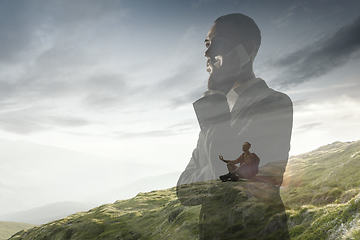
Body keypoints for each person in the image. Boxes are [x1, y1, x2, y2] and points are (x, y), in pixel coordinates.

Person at [176, 13, 293, 239]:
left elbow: (229, 173)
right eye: (207, 45)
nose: (207, 54)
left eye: (217, 44)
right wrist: (217, 174)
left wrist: (214, 94)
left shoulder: (275, 103)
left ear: (247, 50)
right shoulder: (217, 112)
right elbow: (184, 190)